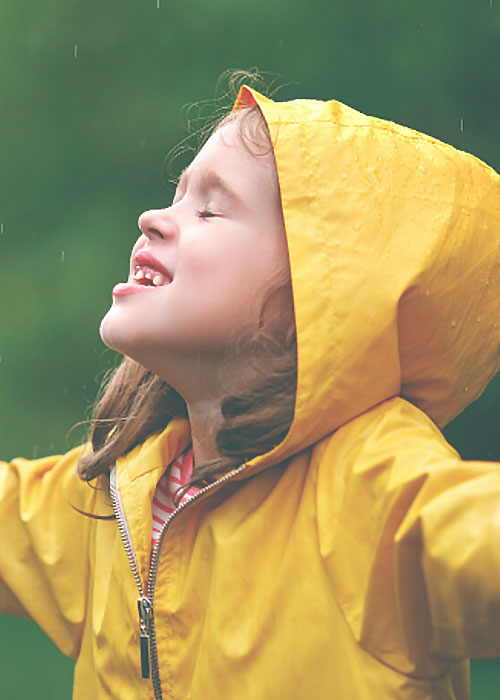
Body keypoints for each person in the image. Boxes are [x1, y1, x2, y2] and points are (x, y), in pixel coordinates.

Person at [1, 77, 500, 700]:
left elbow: (468, 536)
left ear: (318, 298)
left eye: (209, 209)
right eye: (177, 196)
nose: (152, 218)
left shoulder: (366, 483)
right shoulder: (114, 498)